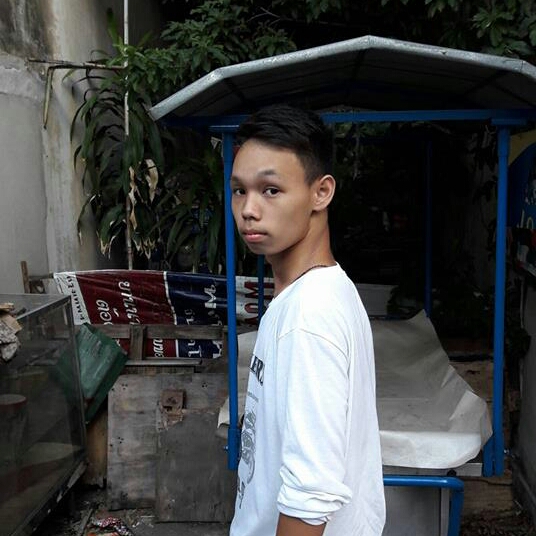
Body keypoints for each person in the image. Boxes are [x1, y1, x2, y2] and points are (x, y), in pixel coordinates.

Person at [229, 104, 385, 536]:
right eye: (239, 190)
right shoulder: (314, 293)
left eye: (271, 190)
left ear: (321, 192)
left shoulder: (310, 315)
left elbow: (310, 496)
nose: (248, 209)